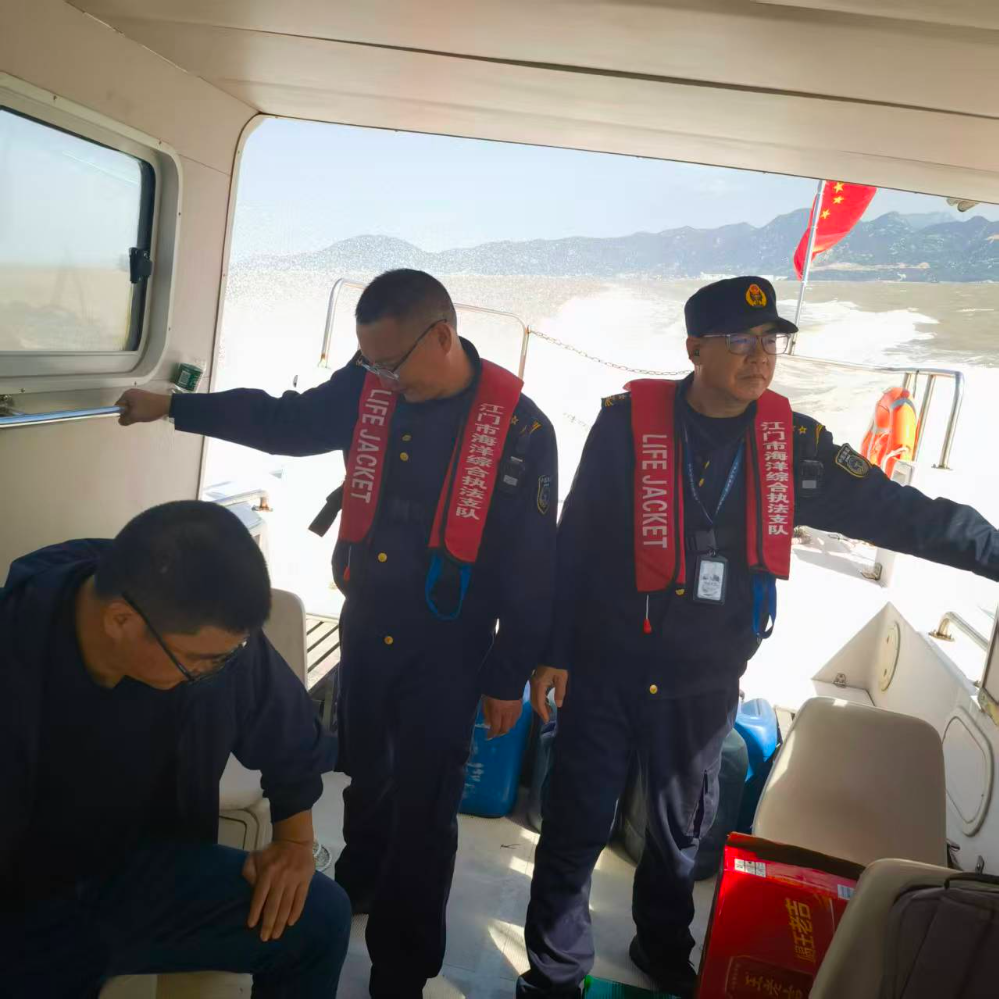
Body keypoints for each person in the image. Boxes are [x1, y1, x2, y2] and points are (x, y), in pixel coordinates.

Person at [518, 276, 999, 999]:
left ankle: (660, 949)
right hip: (607, 665)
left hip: (704, 680)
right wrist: (551, 651)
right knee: (575, 823)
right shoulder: (624, 427)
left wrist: (992, 551)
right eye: (740, 341)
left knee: (681, 835)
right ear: (694, 350)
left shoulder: (794, 445)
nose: (760, 355)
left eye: (770, 341)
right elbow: (574, 540)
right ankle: (554, 974)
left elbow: (902, 513)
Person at [116, 269, 558, 997]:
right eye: (369, 364)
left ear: (441, 337)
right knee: (367, 776)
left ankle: (401, 970)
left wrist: (508, 674)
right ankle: (360, 878)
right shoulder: (371, 384)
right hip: (369, 625)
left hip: (449, 647)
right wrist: (174, 406)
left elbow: (533, 565)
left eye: (390, 364)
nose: (379, 378)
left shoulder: (521, 429)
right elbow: (285, 423)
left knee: (424, 809)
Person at [0, 500, 348, 998]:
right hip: (22, 899)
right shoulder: (18, 646)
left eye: (228, 657)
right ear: (120, 620)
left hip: (140, 874)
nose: (214, 671)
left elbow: (286, 731)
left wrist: (294, 844)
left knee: (320, 918)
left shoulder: (208, 635)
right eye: (198, 663)